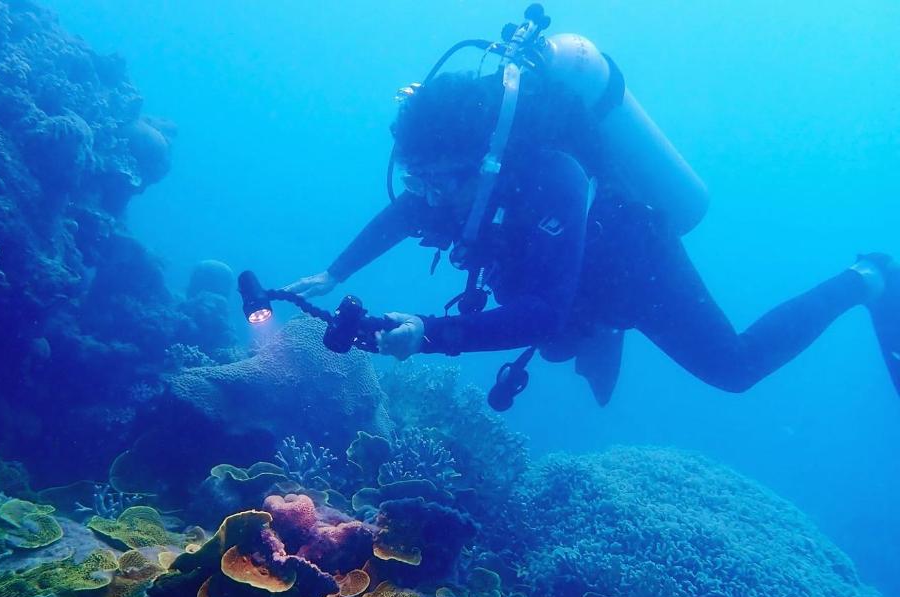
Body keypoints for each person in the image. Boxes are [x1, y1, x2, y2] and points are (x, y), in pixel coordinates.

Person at [284, 36, 899, 408]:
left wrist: (429, 331)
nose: (425, 196)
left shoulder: (554, 175)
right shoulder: (453, 179)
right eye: (417, 179)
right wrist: (334, 271)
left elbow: (544, 310)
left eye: (436, 181)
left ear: (487, 161)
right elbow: (407, 208)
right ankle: (603, 335)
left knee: (733, 369)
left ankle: (865, 278)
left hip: (633, 270)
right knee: (558, 348)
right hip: (563, 278)